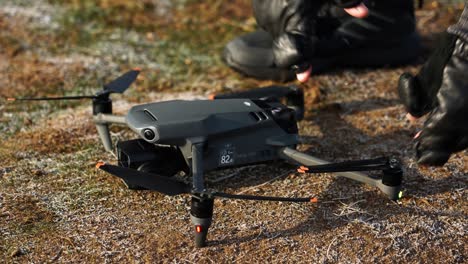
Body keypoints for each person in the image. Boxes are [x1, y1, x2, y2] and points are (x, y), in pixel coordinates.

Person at [223, 0, 468, 166]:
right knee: (244, 51)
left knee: (248, 53)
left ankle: (378, 24)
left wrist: (465, 49)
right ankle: (321, 29)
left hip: (377, 15)